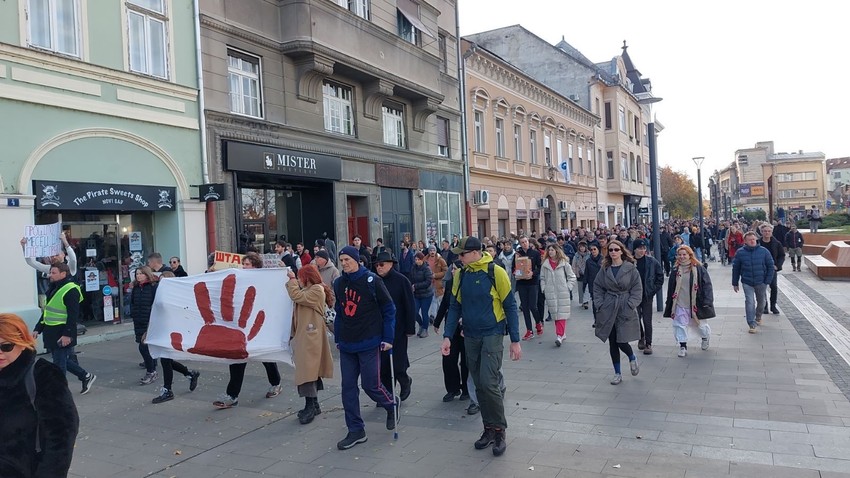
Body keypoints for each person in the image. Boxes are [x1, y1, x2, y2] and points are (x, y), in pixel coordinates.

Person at [442, 236, 521, 457]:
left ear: (476, 253)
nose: (459, 258)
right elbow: (454, 307)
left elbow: (510, 306)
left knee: (489, 383)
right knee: (477, 384)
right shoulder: (462, 275)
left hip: (493, 333)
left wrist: (515, 340)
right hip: (471, 335)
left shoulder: (496, 272)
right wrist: (448, 336)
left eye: (463, 254)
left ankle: (499, 431)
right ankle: (488, 428)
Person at [333, 246, 397, 450]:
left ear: (357, 260)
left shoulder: (372, 280)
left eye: (347, 259)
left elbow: (389, 308)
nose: (344, 263)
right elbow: (339, 311)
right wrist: (338, 335)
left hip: (369, 341)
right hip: (347, 343)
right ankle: (355, 430)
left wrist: (388, 337)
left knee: (371, 385)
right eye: (341, 260)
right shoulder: (338, 283)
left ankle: (391, 404)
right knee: (348, 388)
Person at [0, 313, 80, 477]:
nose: (0, 353)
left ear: (22, 342)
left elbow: (62, 436)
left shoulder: (43, 374)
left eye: (6, 346)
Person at [213, 252, 283, 408]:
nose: (244, 267)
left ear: (256, 266)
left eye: (247, 264)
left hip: (259, 326)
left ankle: (276, 383)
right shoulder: (239, 279)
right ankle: (232, 395)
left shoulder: (264, 281)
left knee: (266, 358)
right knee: (237, 359)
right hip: (241, 327)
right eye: (243, 264)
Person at [33, 263, 96, 395]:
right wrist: (38, 328)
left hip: (62, 332)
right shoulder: (54, 287)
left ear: (63, 274)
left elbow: (73, 315)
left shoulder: (71, 289)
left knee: (58, 364)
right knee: (61, 359)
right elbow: (47, 311)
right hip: (51, 331)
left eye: (54, 272)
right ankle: (85, 376)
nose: (50, 275)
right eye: (51, 272)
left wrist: (68, 334)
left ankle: (59, 392)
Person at [285, 264, 335, 424]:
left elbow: (296, 296)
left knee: (307, 372)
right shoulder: (312, 290)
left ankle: (310, 406)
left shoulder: (316, 290)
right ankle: (314, 404)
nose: (298, 279)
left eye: (300, 276)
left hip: (311, 336)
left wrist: (291, 280)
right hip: (307, 336)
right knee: (310, 371)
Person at [592, 239, 642, 386]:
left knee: (622, 340)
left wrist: (630, 304)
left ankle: (632, 357)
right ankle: (617, 373)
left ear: (621, 251)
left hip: (624, 305)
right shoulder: (605, 269)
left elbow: (637, 289)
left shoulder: (630, 268)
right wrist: (600, 303)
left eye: (616, 249)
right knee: (612, 341)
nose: (613, 252)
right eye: (610, 250)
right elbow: (597, 286)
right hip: (609, 306)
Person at [151, 271, 200, 404]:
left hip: (171, 331)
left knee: (165, 360)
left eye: (163, 281)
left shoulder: (175, 297)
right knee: (166, 360)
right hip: (162, 330)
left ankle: (167, 390)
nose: (160, 284)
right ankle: (189, 374)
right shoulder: (159, 294)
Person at [373, 251, 416, 403]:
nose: (379, 267)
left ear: (391, 265)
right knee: (383, 364)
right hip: (380, 328)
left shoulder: (401, 280)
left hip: (399, 327)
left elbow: (409, 304)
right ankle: (388, 396)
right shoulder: (375, 280)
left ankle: (405, 381)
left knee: (398, 362)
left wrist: (410, 328)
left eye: (382, 264)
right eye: (377, 265)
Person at [664, 245, 714, 357]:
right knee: (680, 325)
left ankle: (705, 337)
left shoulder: (699, 269)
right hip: (680, 303)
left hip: (696, 303)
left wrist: (708, 300)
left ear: (689, 255)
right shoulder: (675, 270)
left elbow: (707, 285)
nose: (682, 257)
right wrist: (669, 302)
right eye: (680, 255)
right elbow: (671, 288)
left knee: (701, 325)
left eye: (684, 254)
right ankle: (682, 346)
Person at [732, 232, 775, 333]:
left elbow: (770, 266)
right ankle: (751, 323)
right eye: (750, 239)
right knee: (750, 301)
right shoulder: (740, 252)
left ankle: (758, 316)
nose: (752, 241)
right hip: (747, 281)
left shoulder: (764, 251)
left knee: (762, 302)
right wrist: (735, 282)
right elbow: (736, 268)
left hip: (761, 281)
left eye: (753, 239)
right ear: (745, 241)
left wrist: (767, 281)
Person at [540, 244, 577, 347]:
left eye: (552, 250)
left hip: (562, 292)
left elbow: (572, 276)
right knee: (555, 314)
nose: (550, 252)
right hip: (550, 292)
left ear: (557, 251)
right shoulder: (545, 264)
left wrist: (568, 287)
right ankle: (562, 333)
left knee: (561, 314)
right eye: (549, 250)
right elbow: (542, 278)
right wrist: (544, 288)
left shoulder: (564, 263)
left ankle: (559, 336)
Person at [633, 239, 665, 355]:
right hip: (633, 295)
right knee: (636, 319)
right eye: (640, 248)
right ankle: (641, 336)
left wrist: (653, 290)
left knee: (647, 320)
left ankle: (648, 343)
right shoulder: (630, 262)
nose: (642, 251)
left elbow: (659, 276)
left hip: (647, 295)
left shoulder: (652, 262)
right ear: (635, 249)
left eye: (644, 248)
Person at [131, 266, 159, 385]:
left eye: (141, 274)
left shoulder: (152, 287)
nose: (138, 276)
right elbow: (133, 302)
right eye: (137, 274)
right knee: (144, 346)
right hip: (138, 321)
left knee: (143, 347)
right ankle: (152, 367)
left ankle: (151, 371)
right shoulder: (136, 288)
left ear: (147, 274)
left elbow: (156, 304)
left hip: (149, 322)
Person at [512, 235, 543, 340]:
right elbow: (513, 268)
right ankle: (529, 330)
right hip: (521, 283)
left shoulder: (535, 253)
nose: (524, 244)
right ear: (520, 244)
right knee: (525, 307)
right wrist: (515, 273)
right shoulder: (517, 255)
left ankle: (538, 322)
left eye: (525, 241)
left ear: (528, 242)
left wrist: (533, 273)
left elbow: (540, 267)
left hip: (533, 282)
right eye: (522, 242)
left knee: (533, 306)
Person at [758, 224, 785, 315]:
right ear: (761, 232)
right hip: (760, 269)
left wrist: (778, 266)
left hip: (772, 269)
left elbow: (781, 255)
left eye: (769, 231)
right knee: (762, 288)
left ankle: (773, 306)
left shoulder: (776, 243)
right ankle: (764, 306)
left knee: (773, 286)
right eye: (765, 231)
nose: (767, 233)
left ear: (771, 232)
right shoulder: (758, 243)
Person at [410, 252, 434, 338]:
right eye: (415, 260)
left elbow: (428, 282)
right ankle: (420, 324)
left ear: (422, 259)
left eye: (418, 260)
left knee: (424, 312)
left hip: (426, 294)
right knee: (414, 312)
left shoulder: (426, 269)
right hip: (417, 294)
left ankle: (425, 329)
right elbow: (411, 278)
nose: (417, 261)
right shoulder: (413, 268)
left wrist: (416, 286)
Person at [425, 245, 448, 325]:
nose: (432, 252)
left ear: (435, 251)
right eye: (431, 250)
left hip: (437, 283)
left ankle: (433, 316)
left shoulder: (440, 260)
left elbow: (445, 271)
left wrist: (436, 275)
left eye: (433, 250)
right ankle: (433, 316)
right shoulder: (425, 260)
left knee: (436, 300)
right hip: (428, 283)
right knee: (433, 300)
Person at [572, 241, 591, 309]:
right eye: (581, 247)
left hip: (587, 273)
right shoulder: (576, 255)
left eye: (583, 247)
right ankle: (582, 301)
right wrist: (574, 273)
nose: (582, 248)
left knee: (586, 288)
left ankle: (586, 301)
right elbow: (573, 265)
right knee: (580, 288)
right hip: (579, 273)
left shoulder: (589, 254)